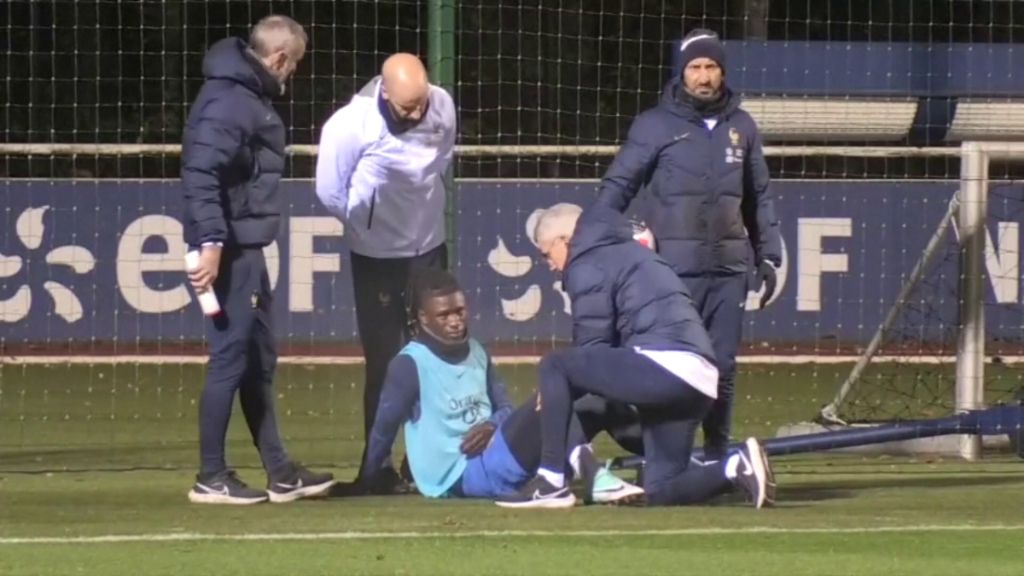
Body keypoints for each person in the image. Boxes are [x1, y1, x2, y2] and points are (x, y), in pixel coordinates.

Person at [496, 203, 775, 509]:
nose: (548, 264)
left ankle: (551, 482)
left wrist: (559, 387)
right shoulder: (628, 251)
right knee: (660, 489)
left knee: (554, 364)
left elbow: (592, 344)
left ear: (564, 240)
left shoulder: (587, 260)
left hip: (668, 364)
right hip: (699, 379)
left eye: (546, 254)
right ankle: (736, 467)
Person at [593, 29, 782, 460]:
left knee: (723, 368)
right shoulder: (654, 125)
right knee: (667, 365)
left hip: (730, 270)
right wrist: (599, 237)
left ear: (722, 72)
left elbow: (759, 198)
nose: (704, 76)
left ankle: (717, 456)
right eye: (695, 67)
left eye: (711, 67)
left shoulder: (743, 126)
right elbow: (618, 185)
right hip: (671, 271)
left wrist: (769, 255)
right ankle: (660, 455)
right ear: (681, 73)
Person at [181, 15, 334, 504]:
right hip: (230, 250)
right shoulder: (231, 102)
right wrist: (210, 241)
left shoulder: (245, 97)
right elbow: (201, 172)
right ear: (279, 58)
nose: (293, 75)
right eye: (295, 65)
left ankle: (280, 471)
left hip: (244, 246)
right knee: (230, 359)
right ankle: (211, 476)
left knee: (259, 360)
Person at [357, 268, 643, 506]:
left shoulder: (477, 351)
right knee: (558, 392)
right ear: (422, 318)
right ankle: (589, 470)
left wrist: (492, 425)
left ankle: (658, 460)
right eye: (444, 316)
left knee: (597, 401)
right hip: (459, 474)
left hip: (502, 454)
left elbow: (505, 407)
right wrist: (368, 479)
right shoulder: (409, 364)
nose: (455, 322)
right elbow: (384, 428)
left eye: (460, 311)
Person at [315, 53, 457, 485]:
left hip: (429, 248)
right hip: (376, 257)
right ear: (384, 90)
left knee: (435, 358)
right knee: (384, 362)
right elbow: (329, 191)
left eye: (421, 103)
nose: (417, 113)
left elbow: (442, 160)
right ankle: (375, 468)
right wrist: (367, 226)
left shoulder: (442, 105)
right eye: (406, 106)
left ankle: (421, 466)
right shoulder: (348, 124)